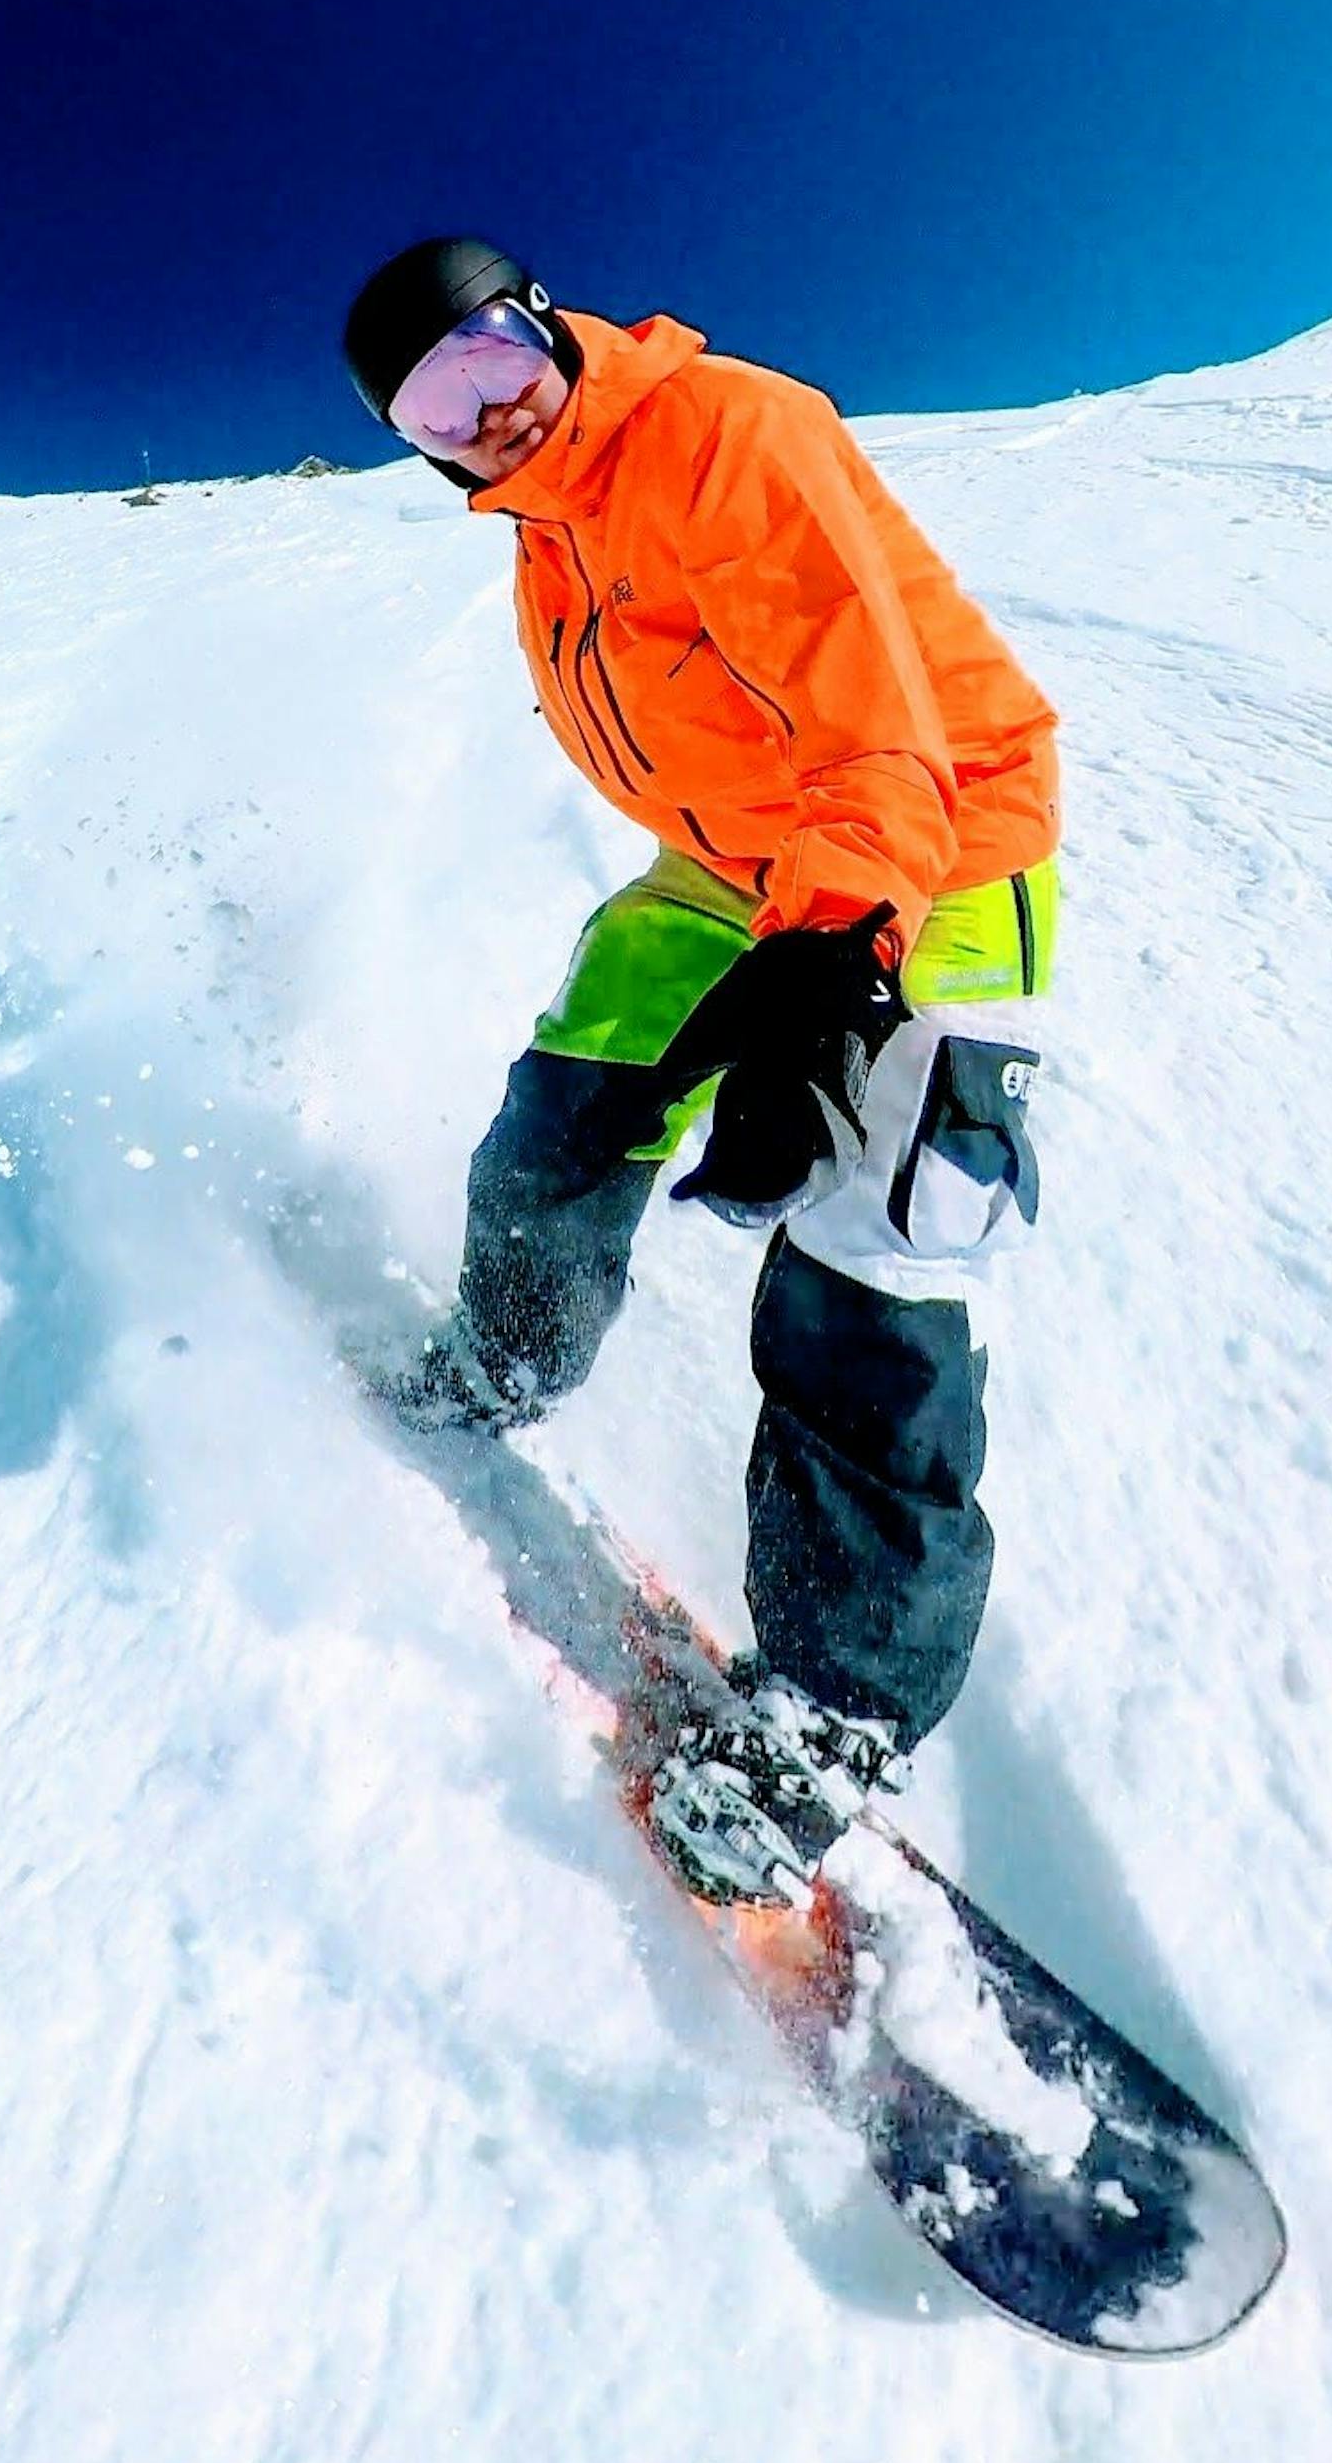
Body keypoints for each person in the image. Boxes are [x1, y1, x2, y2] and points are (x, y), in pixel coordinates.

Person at [339, 233, 1063, 1761]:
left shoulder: (725, 430)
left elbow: (870, 721)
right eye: (434, 412)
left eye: (490, 358)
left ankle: (838, 1709)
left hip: (927, 845)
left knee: (874, 1246)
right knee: (574, 1088)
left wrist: (834, 953)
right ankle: (507, 1351)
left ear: (546, 322)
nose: (486, 413)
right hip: (735, 865)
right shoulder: (547, 545)